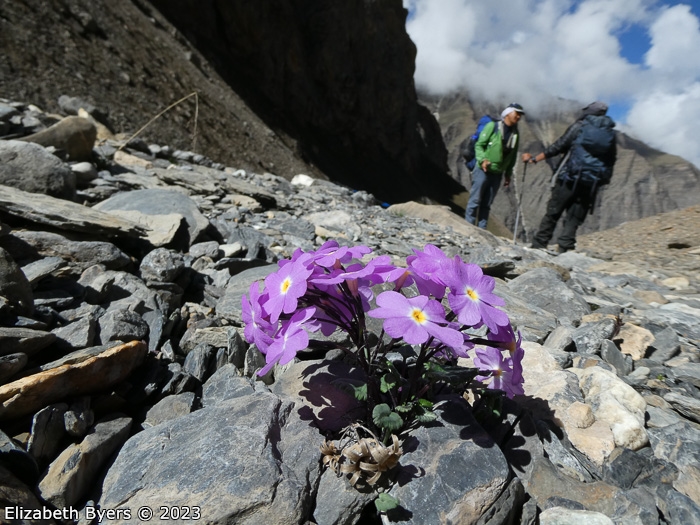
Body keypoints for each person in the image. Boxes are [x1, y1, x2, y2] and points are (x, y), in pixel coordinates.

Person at [523, 101, 616, 253]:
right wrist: (602, 180)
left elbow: (558, 146)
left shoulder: (579, 127)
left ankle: (539, 245)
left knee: (553, 211)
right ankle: (565, 248)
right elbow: (611, 159)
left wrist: (535, 159)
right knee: (574, 217)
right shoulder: (609, 134)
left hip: (568, 177)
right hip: (590, 182)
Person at [465, 103, 524, 229]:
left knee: (486, 204)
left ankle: (482, 230)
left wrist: (508, 174)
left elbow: (512, 156)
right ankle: (468, 228)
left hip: (497, 173)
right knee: (475, 201)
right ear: (508, 113)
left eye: (520, 115)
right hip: (483, 170)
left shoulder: (515, 134)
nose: (518, 117)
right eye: (516, 113)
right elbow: (479, 145)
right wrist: (482, 160)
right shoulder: (492, 126)